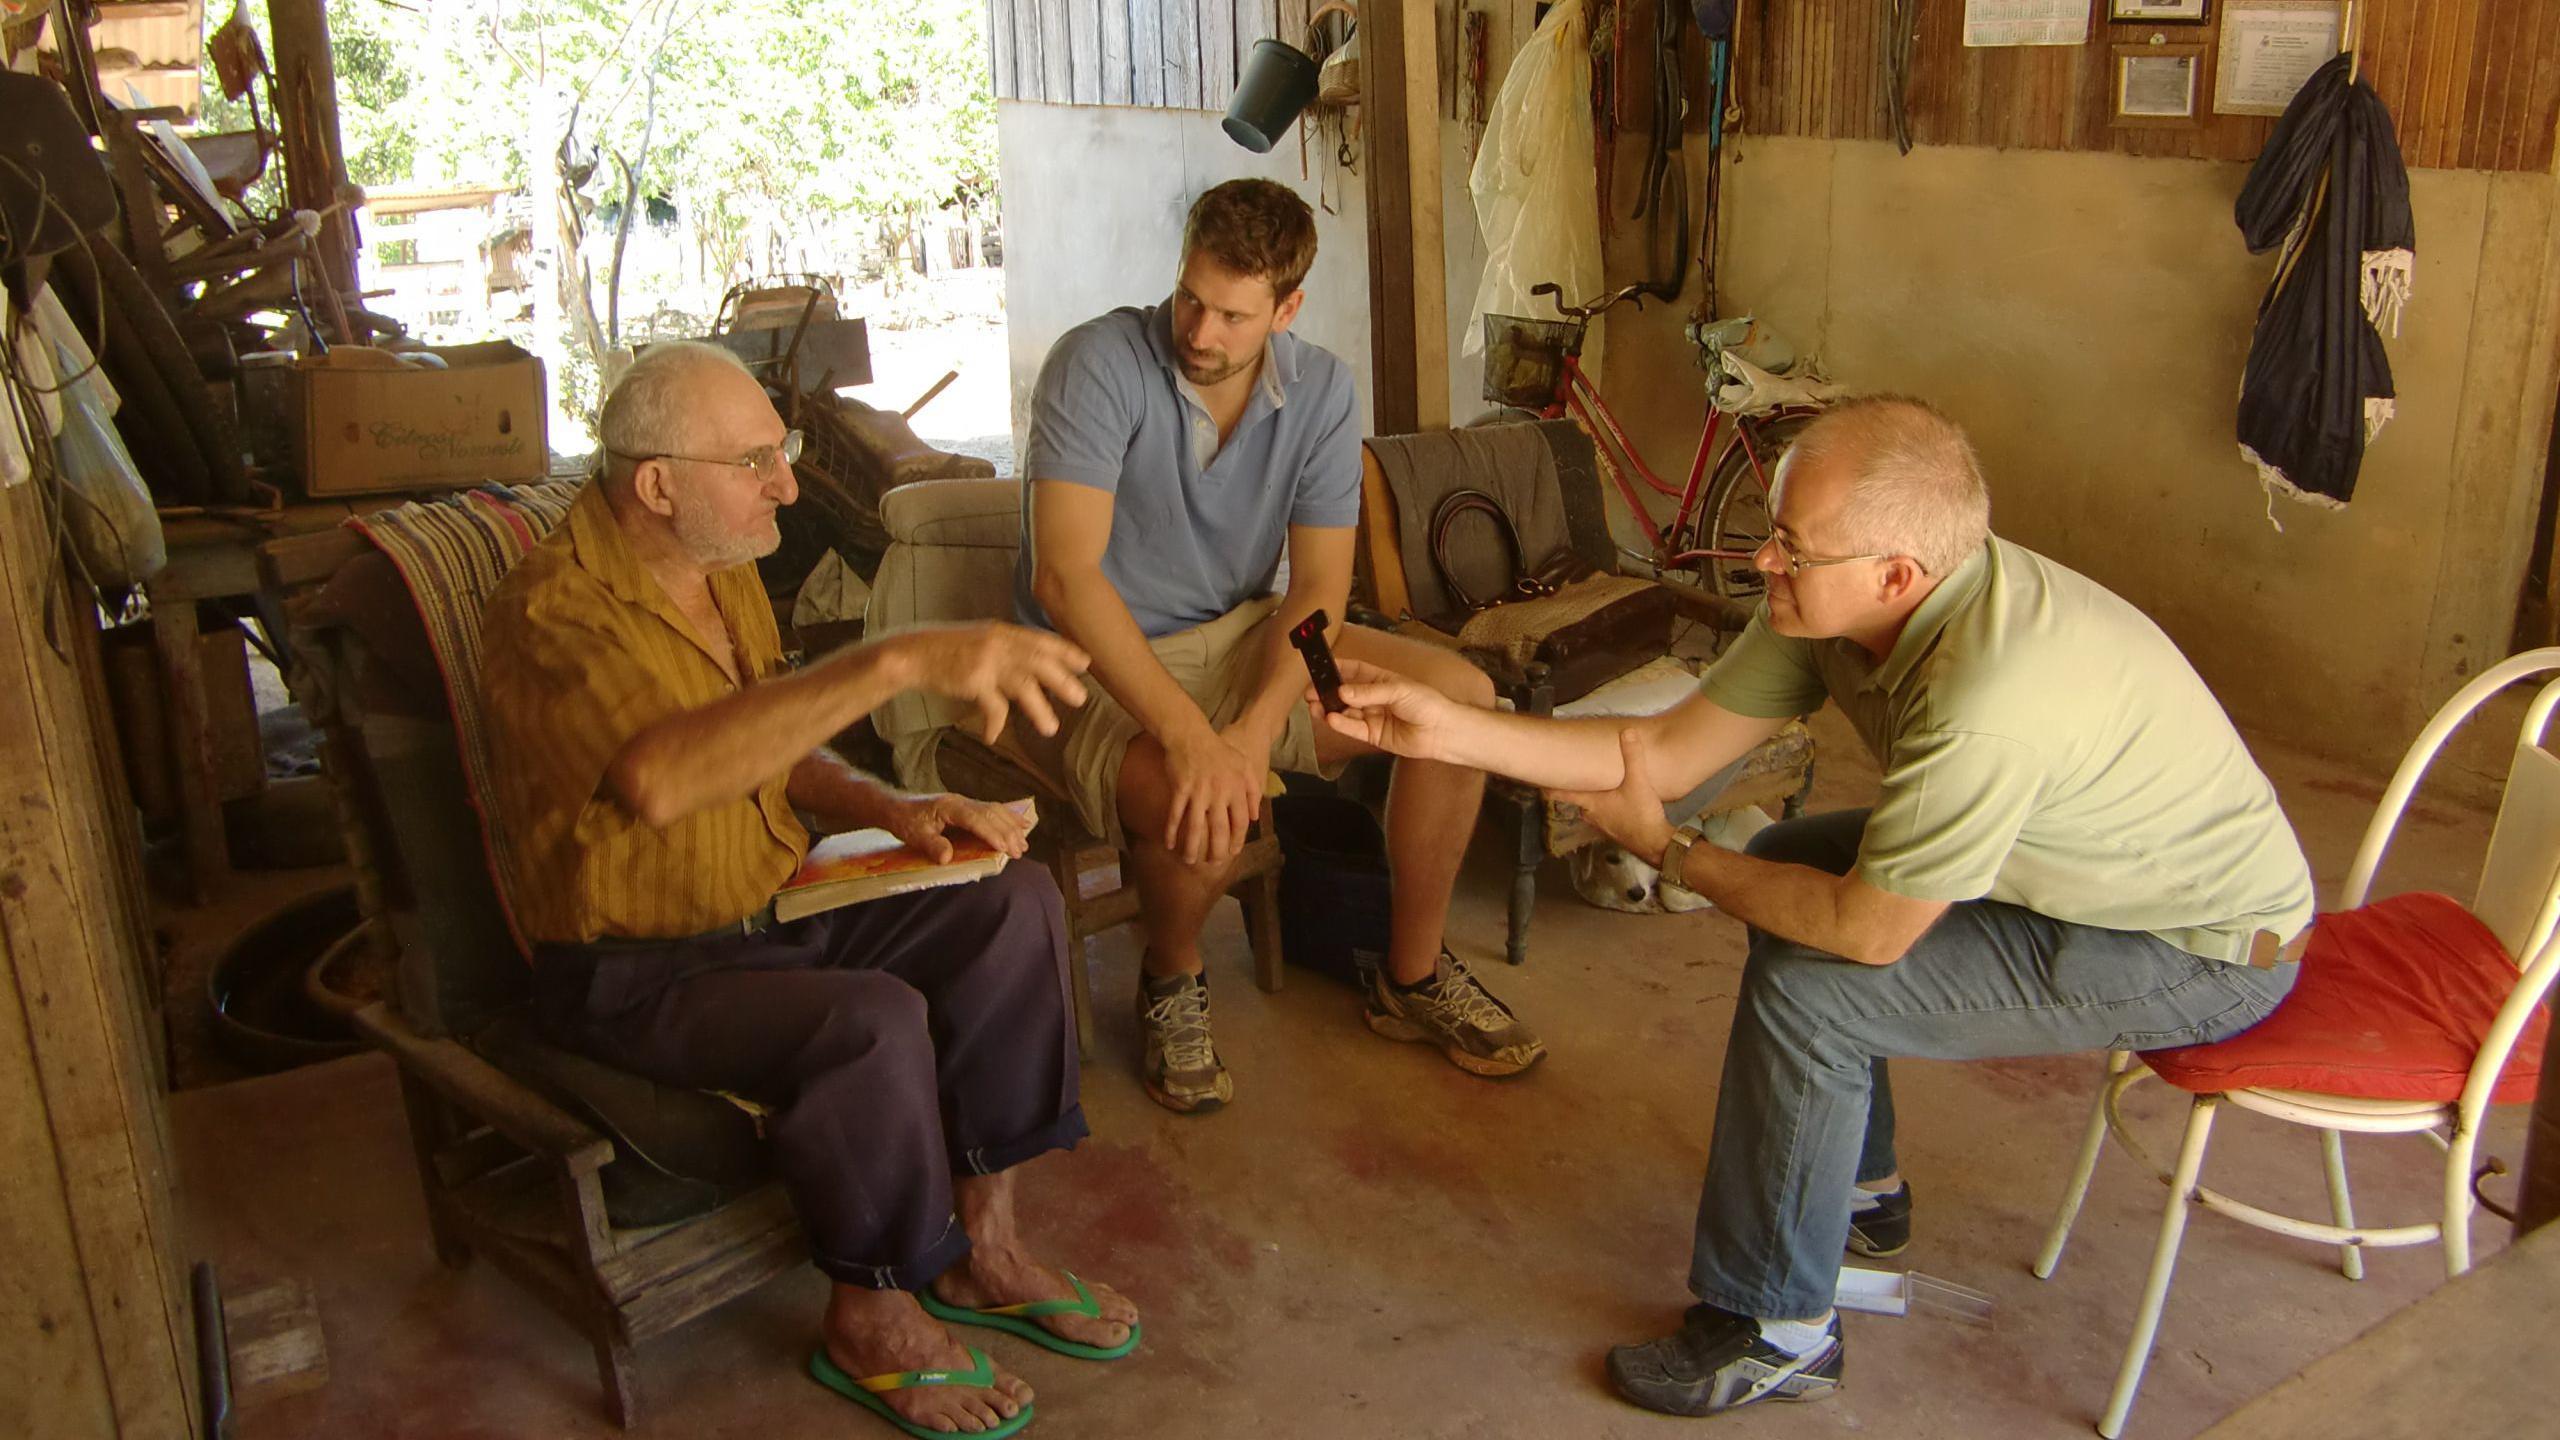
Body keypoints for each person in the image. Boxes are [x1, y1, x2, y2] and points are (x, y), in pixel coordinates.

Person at [1316, 396, 2312, 1417]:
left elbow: (1866, 931)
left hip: (2194, 947)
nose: (1761, 563)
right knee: (1792, 861)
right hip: (2075, 869)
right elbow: (1652, 753)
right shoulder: (1843, 607)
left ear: (1895, 574)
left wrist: (1671, 851)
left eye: (1792, 547)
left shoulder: (1989, 700)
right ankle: (1865, 1200)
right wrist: (1443, 730)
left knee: (1816, 990)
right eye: (1771, 531)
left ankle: (1776, 1328)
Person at [481, 341, 1137, 1438]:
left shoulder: (722, 568)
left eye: (777, 452)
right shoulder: (552, 614)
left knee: (1008, 904)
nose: (787, 483)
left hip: (774, 904)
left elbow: (766, 744)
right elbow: (664, 778)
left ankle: (986, 1249)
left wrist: (891, 810)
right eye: (756, 461)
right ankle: (870, 1319)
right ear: (658, 484)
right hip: (636, 969)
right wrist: (890, 663)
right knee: (867, 1021)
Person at [1011, 177, 1542, 1114]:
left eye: (1232, 314)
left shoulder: (1324, 390)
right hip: (1097, 656)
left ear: (1286, 308)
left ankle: (1409, 978)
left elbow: (1318, 594)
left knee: (1461, 702)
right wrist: (1193, 738)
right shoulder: (1096, 363)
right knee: (1199, 790)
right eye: (1189, 298)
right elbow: (1066, 582)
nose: (1201, 331)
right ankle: (1173, 976)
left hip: (1256, 636)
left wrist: (1255, 729)